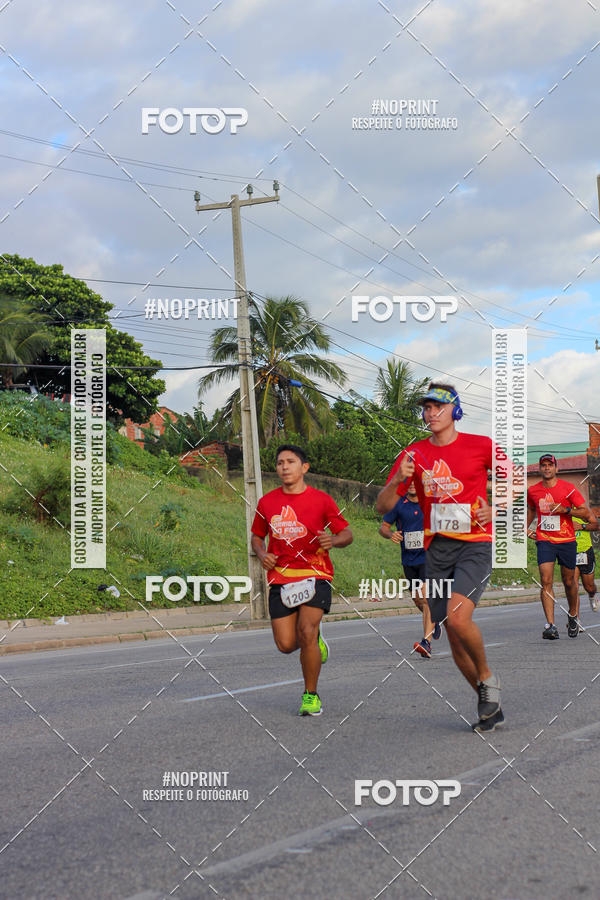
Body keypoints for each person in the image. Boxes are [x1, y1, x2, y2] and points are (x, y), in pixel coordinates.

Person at [376, 383, 502, 734]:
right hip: (437, 551)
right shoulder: (413, 454)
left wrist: (494, 509)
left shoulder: (481, 445)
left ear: (455, 411)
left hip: (475, 544)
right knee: (453, 634)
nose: (430, 413)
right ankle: (487, 702)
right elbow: (383, 506)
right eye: (426, 407)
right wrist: (397, 481)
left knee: (459, 619)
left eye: (438, 406)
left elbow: (516, 479)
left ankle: (487, 677)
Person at [251, 444, 353, 717]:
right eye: (280, 462)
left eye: (291, 461)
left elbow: (347, 534)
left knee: (306, 631)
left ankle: (311, 695)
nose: (284, 467)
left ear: (304, 467)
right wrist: (262, 554)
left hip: (315, 573)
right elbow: (257, 537)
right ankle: (316, 641)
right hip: (281, 577)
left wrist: (333, 540)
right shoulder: (267, 503)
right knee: (286, 644)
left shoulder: (322, 500)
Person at [527, 454, 594, 638]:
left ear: (556, 468)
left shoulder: (568, 488)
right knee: (545, 580)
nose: (547, 468)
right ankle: (550, 625)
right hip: (545, 540)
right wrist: (525, 528)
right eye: (544, 465)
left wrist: (565, 510)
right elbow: (531, 509)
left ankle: (573, 615)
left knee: (569, 581)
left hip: (566, 540)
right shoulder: (533, 490)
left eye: (550, 465)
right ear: (540, 469)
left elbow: (585, 512)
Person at [379, 483, 442, 658]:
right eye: (409, 482)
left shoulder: (430, 502)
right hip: (409, 560)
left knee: (426, 598)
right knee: (418, 600)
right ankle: (434, 620)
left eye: (416, 481)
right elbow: (383, 527)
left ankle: (426, 643)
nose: (413, 485)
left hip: (429, 557)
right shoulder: (398, 504)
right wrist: (391, 534)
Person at [573, 513, 599, 612]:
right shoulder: (561, 512)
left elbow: (596, 525)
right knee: (573, 587)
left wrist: (581, 526)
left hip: (585, 551)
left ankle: (592, 596)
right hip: (569, 552)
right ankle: (575, 618)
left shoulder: (583, 510)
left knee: (589, 587)